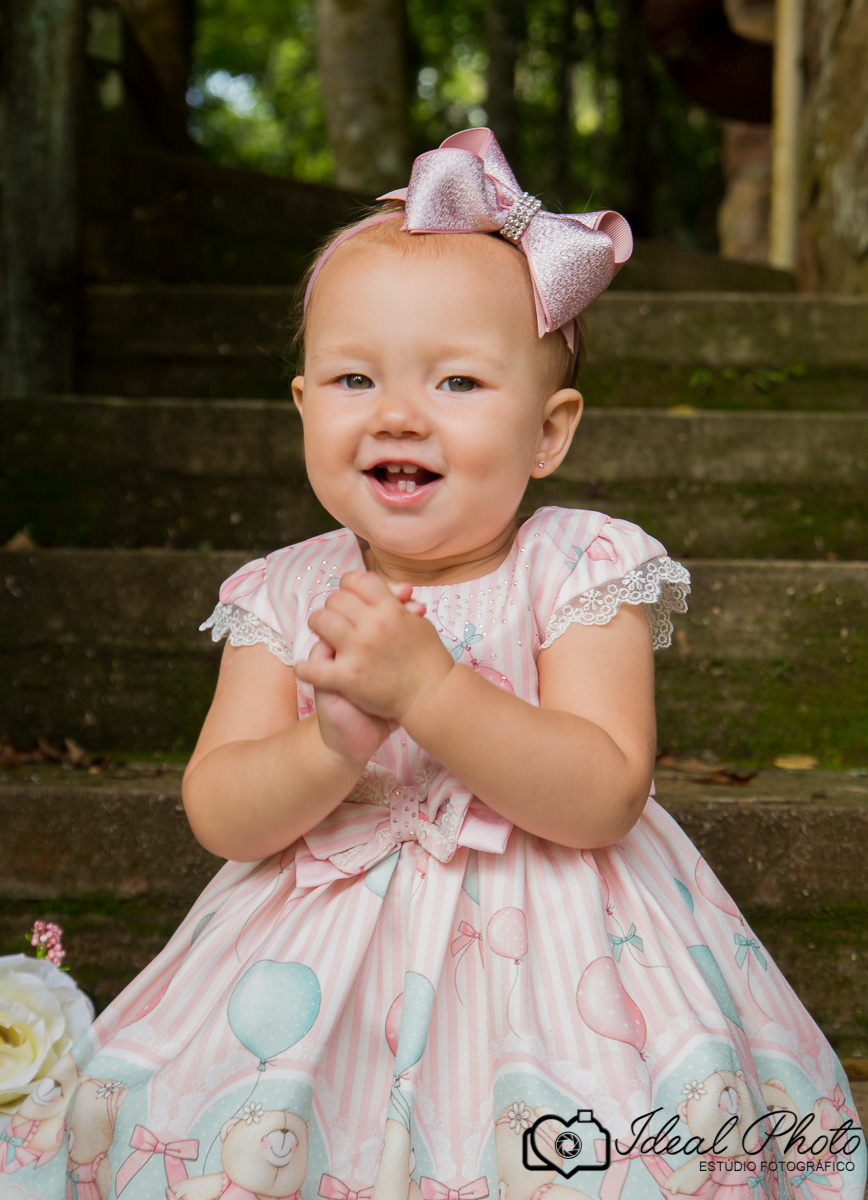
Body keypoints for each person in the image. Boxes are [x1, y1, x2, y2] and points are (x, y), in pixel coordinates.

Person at [6, 129, 864, 1200]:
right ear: (303, 406)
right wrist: (331, 746)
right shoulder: (284, 592)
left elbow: (604, 792)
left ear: (549, 432)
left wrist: (432, 691)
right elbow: (221, 811)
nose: (398, 413)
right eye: (354, 377)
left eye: (458, 380)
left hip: (558, 949)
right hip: (313, 961)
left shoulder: (578, 567)